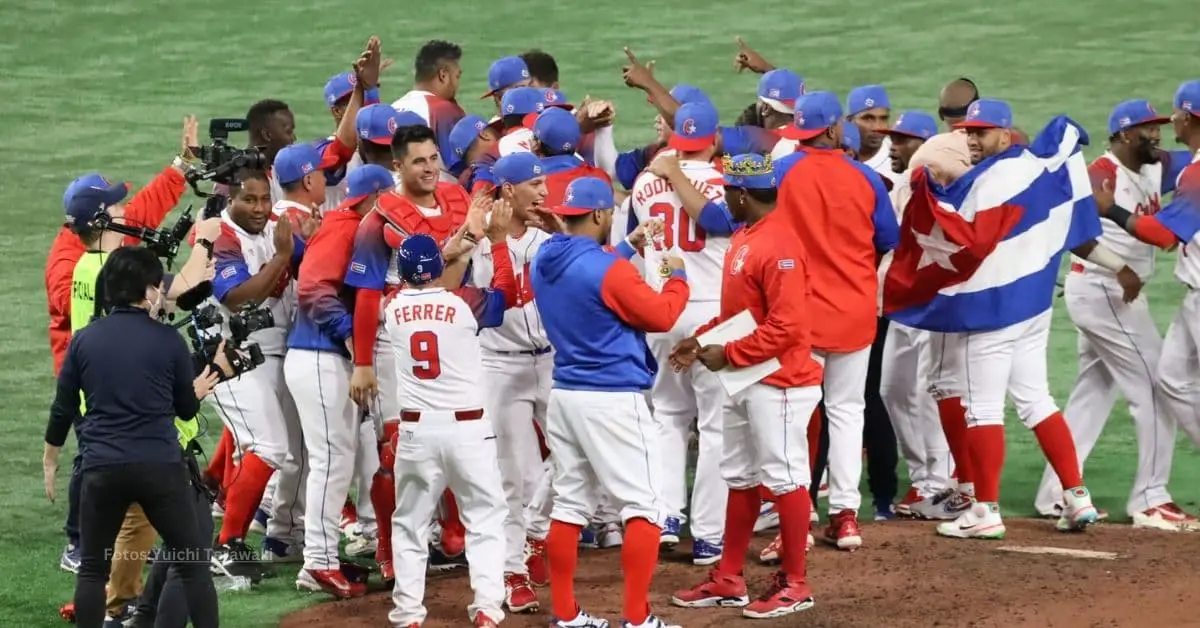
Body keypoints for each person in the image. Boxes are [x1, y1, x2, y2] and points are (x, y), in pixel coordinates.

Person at [900, 101, 1122, 539]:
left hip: (994, 314)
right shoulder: (1036, 172)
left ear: (1005, 134)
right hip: (1033, 310)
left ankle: (984, 510)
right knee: (1037, 400)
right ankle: (1077, 497)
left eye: (982, 133)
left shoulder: (987, 184)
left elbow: (958, 233)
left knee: (982, 409)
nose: (972, 140)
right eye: (968, 132)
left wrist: (925, 189)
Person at [1032, 98, 1197, 529]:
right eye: (1147, 129)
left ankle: (1056, 494)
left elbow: (1192, 159)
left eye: (1162, 127)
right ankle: (1151, 499)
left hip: (1115, 295)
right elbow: (1074, 234)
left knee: (1092, 394)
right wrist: (1119, 266)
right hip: (1105, 292)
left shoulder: (1154, 166)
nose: (1157, 136)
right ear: (1124, 133)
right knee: (1158, 389)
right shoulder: (1099, 175)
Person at [668, 153, 821, 619]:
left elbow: (788, 326)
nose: (721, 201)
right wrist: (703, 338)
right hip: (746, 378)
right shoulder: (744, 236)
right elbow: (743, 315)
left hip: (781, 383)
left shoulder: (779, 246)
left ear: (740, 193)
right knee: (740, 474)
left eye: (726, 193)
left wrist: (729, 353)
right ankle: (729, 578)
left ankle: (795, 584)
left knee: (785, 477)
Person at [531, 176, 688, 628]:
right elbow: (661, 315)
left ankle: (566, 615)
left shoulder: (545, 259)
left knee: (570, 505)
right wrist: (675, 276)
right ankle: (638, 619)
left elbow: (589, 270)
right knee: (644, 506)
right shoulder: (608, 270)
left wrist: (627, 247)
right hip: (612, 401)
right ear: (600, 215)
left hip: (565, 396)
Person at [43, 246, 221, 628]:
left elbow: (63, 407)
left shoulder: (84, 341)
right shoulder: (168, 341)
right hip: (160, 467)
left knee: (92, 569)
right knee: (192, 565)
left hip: (102, 468)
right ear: (150, 290)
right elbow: (186, 409)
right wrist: (199, 388)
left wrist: (51, 458)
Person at [344, 124, 480, 578]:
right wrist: (363, 363)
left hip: (454, 335)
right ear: (397, 166)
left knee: (462, 434)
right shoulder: (379, 220)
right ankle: (387, 545)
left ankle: (455, 531)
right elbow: (365, 294)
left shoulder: (460, 201)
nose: (428, 168)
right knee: (397, 449)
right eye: (417, 161)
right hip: (395, 341)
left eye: (433, 158)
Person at [385, 204, 520, 628]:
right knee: (485, 519)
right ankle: (487, 610)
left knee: (409, 524)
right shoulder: (464, 303)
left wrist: (451, 251)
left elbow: (420, 286)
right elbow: (506, 294)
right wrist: (494, 243)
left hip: (416, 432)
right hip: (468, 432)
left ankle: (408, 614)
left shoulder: (391, 309)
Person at [775, 91, 899, 551]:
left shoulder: (781, 172)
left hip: (799, 312)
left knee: (795, 414)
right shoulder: (866, 178)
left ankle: (798, 515)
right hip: (854, 311)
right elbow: (889, 238)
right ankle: (846, 517)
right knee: (848, 412)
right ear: (834, 130)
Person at [1084, 81, 1200, 530]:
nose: (1167, 123)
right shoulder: (1181, 168)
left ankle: (1151, 499)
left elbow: (1162, 235)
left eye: (1172, 115)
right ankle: (1064, 493)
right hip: (1168, 298)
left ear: (1188, 118)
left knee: (1163, 386)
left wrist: (1110, 209)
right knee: (1168, 382)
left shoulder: (1192, 173)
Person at [631, 100, 738, 565]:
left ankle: (666, 518)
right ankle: (710, 535)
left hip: (661, 308)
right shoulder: (726, 182)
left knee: (667, 417)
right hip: (712, 313)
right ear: (713, 140)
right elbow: (724, 222)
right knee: (716, 427)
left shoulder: (642, 183)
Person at [208, 167, 306, 570]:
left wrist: (310, 240)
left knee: (286, 453)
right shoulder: (221, 239)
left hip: (273, 354)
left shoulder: (271, 229)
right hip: (231, 358)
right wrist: (284, 256)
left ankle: (203, 507)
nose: (259, 207)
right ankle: (227, 544)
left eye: (265, 198)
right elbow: (237, 297)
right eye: (249, 199)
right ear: (230, 199)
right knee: (268, 446)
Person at [469, 152, 550, 613]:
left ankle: (537, 532)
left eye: (543, 183)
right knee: (512, 474)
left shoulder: (548, 236)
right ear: (508, 192)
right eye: (534, 185)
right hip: (500, 366)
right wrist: (474, 231)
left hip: (552, 360)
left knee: (577, 453)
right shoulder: (476, 240)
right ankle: (512, 570)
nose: (543, 192)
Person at [879, 133, 971, 522]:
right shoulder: (900, 187)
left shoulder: (955, 197)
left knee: (930, 391)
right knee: (893, 390)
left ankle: (942, 482)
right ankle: (923, 476)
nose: (895, 148)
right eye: (894, 141)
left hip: (935, 305)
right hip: (902, 305)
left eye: (905, 142)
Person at [391, 39, 467, 183]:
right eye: (457, 76)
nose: (458, 85)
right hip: (433, 196)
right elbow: (462, 168)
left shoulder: (393, 108)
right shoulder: (444, 110)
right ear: (443, 75)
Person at [846, 85, 897, 184]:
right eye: (868, 118)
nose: (877, 127)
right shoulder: (834, 155)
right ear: (849, 121)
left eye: (883, 118)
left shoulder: (898, 162)